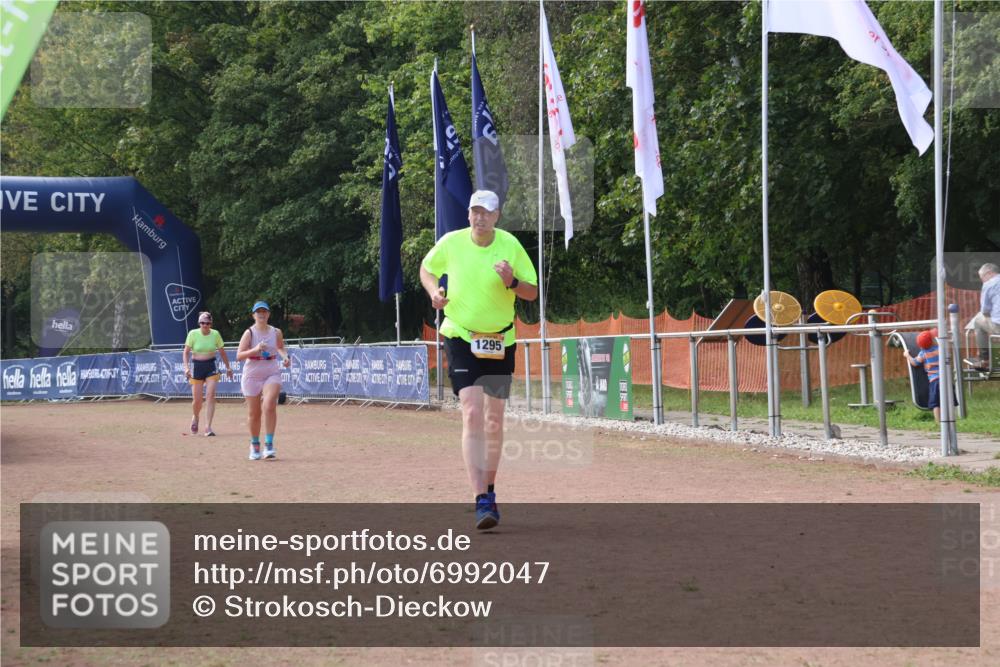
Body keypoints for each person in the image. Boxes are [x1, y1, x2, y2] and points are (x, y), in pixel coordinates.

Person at [419, 190, 538, 530]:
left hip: (501, 340)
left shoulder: (510, 245)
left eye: (486, 212)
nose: (479, 217)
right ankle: (481, 500)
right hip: (461, 336)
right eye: (474, 211)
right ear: (468, 215)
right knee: (471, 413)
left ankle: (490, 488)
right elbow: (426, 269)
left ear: (497, 215)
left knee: (494, 421)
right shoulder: (451, 243)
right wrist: (434, 292)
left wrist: (511, 281)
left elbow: (532, 290)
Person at [236, 301, 290, 460]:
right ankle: (254, 444)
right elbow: (239, 355)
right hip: (252, 374)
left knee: (269, 405)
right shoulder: (249, 333)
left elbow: (280, 347)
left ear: (268, 314)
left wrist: (285, 357)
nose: (261, 314)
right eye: (258, 312)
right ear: (253, 315)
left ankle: (269, 444)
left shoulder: (276, 332)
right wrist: (256, 349)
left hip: (271, 372)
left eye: (264, 311)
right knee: (254, 413)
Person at [182, 311, 233, 437]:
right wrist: (186, 368)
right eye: (203, 323)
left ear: (211, 324)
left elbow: (222, 352)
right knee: (197, 400)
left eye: (208, 323)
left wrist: (228, 368)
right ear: (199, 323)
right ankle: (195, 416)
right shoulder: (193, 334)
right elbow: (186, 352)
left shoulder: (215, 334)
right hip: (196, 366)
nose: (205, 325)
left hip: (211, 365)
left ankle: (208, 427)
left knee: (210, 396)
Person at [967, 262, 1000, 371]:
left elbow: (985, 310)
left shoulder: (989, 284)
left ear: (989, 273)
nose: (982, 281)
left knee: (978, 321)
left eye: (982, 278)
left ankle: (984, 359)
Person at [904, 329, 942, 422]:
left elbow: (915, 363)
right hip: (945, 379)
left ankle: (938, 422)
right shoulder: (940, 349)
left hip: (935, 381)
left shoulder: (923, 353)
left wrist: (907, 355)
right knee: (947, 400)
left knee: (936, 403)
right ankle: (950, 418)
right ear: (933, 341)